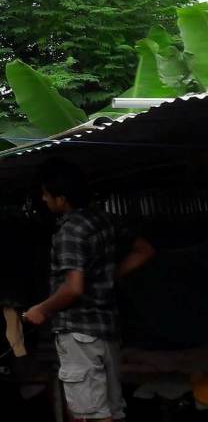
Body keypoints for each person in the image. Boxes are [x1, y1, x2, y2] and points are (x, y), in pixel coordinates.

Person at [24, 160, 154, 422]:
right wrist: (107, 277)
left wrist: (41, 309)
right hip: (107, 331)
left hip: (79, 332)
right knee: (112, 411)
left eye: (47, 194)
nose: (43, 199)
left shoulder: (70, 231)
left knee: (91, 415)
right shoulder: (104, 220)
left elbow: (73, 289)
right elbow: (144, 251)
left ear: (62, 199)